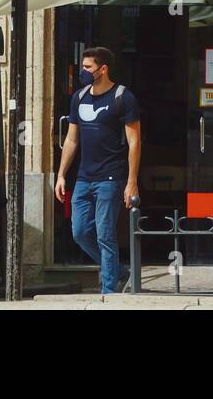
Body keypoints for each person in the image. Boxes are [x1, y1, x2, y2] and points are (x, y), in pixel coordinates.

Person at [55, 46, 141, 296]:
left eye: (87, 67)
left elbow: (135, 142)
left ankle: (108, 291)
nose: (83, 71)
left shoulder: (123, 97)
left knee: (105, 234)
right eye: (83, 66)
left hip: (111, 177)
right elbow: (71, 140)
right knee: (80, 232)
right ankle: (119, 271)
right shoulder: (79, 97)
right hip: (83, 177)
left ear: (103, 69)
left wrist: (131, 182)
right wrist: (61, 174)